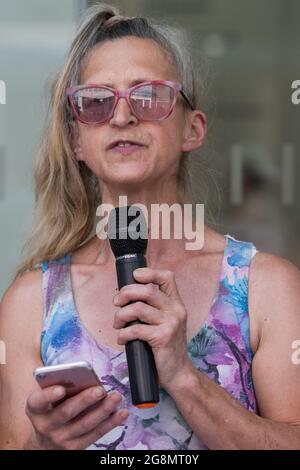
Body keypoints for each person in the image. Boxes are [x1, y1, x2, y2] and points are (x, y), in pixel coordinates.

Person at [1, 3, 300, 451]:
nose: (122, 117)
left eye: (149, 96)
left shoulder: (266, 287)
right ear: (76, 140)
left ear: (192, 129)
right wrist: (43, 445)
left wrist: (183, 374)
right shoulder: (30, 303)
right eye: (97, 102)